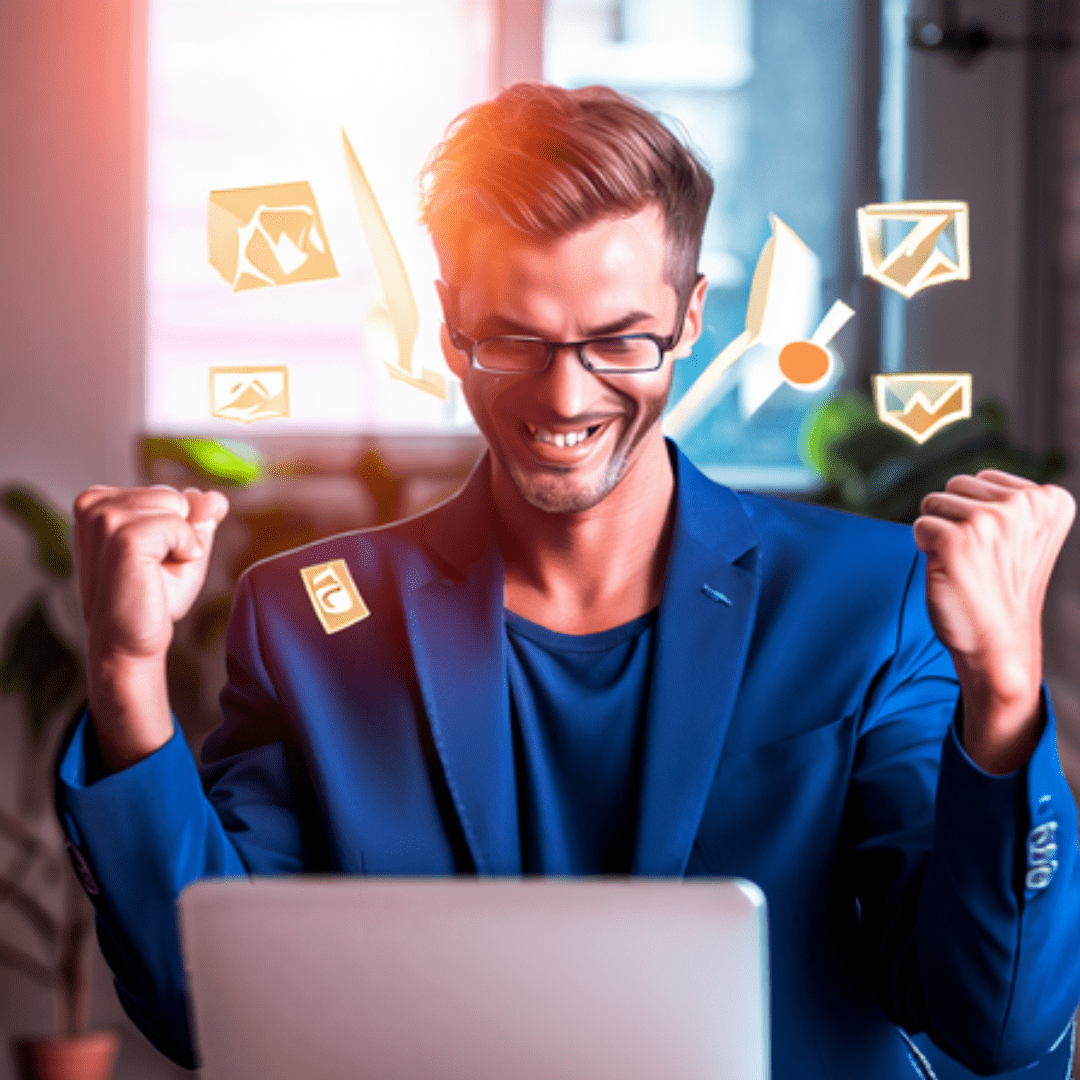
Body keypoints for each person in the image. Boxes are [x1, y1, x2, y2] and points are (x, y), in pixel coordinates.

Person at [58, 83, 1079, 1078]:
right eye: (514, 339)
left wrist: (1004, 698)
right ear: (452, 326)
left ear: (687, 319)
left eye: (618, 339)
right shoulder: (313, 618)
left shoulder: (870, 600)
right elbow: (213, 1009)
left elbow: (995, 1025)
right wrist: (126, 673)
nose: (566, 393)